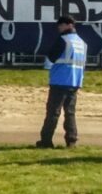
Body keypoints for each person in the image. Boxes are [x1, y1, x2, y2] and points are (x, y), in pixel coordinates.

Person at [35, 16, 86, 148]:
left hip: (60, 80)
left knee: (53, 112)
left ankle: (46, 141)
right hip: (75, 81)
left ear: (69, 25)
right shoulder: (81, 42)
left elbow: (52, 57)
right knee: (70, 112)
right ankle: (71, 140)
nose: (59, 28)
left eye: (61, 25)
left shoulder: (64, 40)